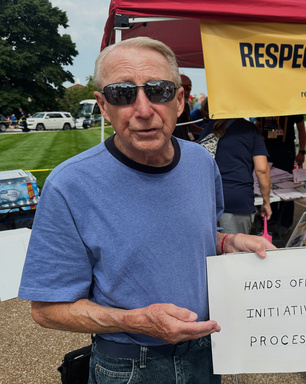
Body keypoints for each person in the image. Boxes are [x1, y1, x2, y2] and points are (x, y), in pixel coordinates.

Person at [18, 36, 274, 384]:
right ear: (103, 106)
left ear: (180, 101)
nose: (143, 109)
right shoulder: (70, 184)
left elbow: (192, 236)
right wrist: (134, 320)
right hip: (128, 366)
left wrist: (227, 242)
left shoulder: (201, 162)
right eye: (122, 94)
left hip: (206, 353)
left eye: (159, 91)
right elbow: (46, 310)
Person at [198, 117, 272, 234]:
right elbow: (262, 169)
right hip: (238, 199)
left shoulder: (208, 130)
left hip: (208, 200)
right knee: (236, 249)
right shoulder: (250, 129)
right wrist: (266, 202)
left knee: (210, 249)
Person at [255, 115, 306, 232]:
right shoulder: (263, 105)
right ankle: (271, 217)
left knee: (287, 186)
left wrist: (302, 151)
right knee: (266, 183)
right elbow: (258, 125)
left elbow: (301, 129)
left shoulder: (292, 105)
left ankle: (285, 222)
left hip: (285, 148)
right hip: (267, 147)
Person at [174, 74, 202, 140]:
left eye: (188, 88)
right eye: (183, 87)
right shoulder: (168, 106)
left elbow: (188, 125)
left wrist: (204, 131)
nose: (186, 92)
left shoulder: (186, 105)